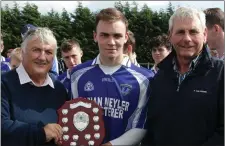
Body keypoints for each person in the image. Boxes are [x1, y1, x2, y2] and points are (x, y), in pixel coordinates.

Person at [70, 8, 154, 146]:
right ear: (95, 36)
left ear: (126, 37)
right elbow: (74, 118)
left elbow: (140, 127)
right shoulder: (78, 75)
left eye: (117, 35)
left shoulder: (145, 78)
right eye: (104, 35)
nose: (111, 42)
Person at [142, 7, 224, 145]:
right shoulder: (159, 77)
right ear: (170, 35)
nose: (187, 38)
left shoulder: (221, 73)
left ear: (204, 35)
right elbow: (151, 127)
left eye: (193, 32)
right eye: (180, 32)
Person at [1, 27, 68, 146]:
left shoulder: (59, 88)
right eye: (36, 50)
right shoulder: (3, 83)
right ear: (23, 52)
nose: (42, 57)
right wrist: (41, 133)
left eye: (48, 52)